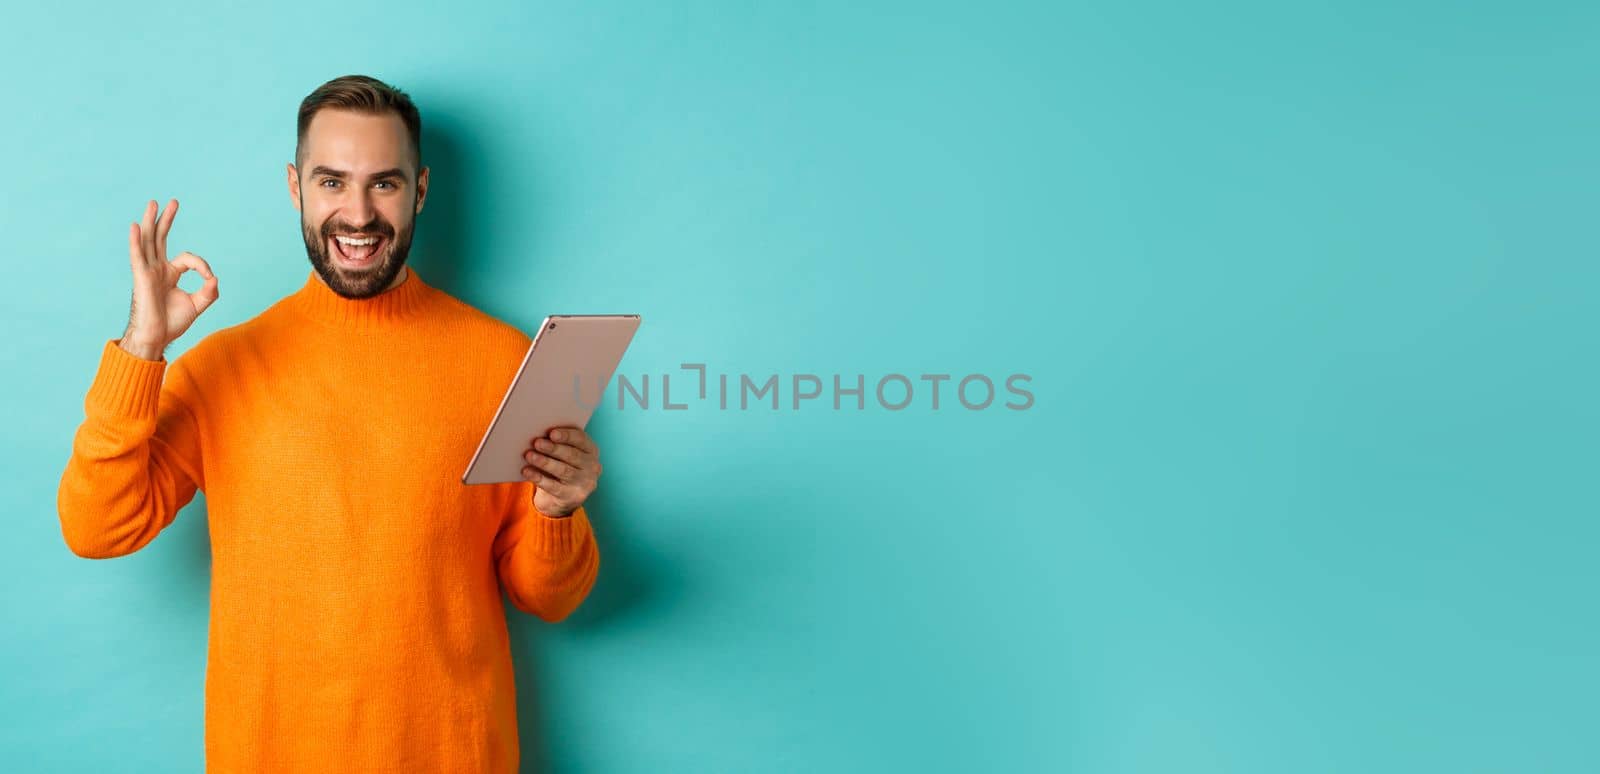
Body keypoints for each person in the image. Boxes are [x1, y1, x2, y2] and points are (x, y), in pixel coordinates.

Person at [56, 74, 603, 773]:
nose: (357, 214)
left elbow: (549, 598)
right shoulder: (223, 368)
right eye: (331, 182)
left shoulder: (507, 363)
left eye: (384, 184)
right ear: (295, 188)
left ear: (422, 190)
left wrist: (558, 510)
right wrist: (142, 348)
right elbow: (96, 527)